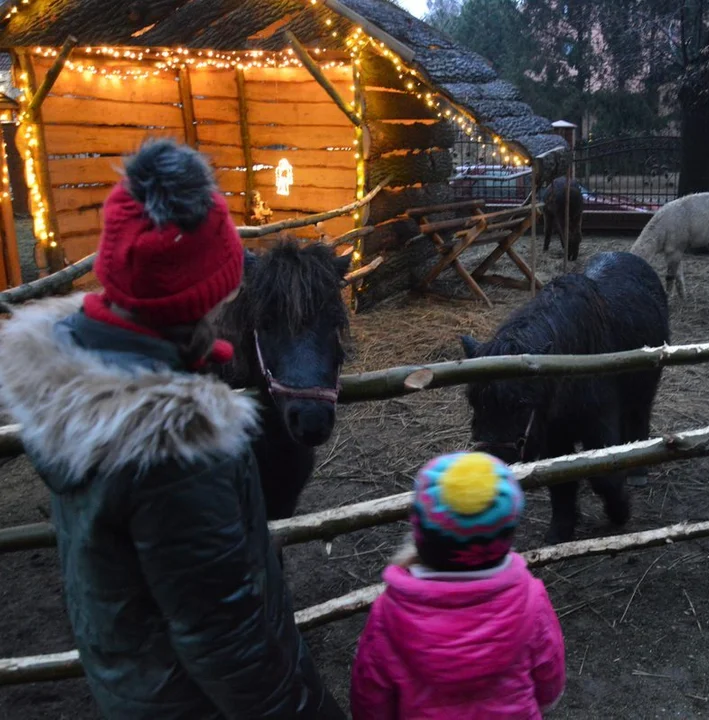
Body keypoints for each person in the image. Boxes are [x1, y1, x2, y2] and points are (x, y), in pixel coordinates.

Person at [0, 138, 347, 719]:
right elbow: (226, 640)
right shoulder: (177, 449)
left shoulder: (73, 389)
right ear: (206, 294)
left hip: (130, 675)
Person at [350, 451, 566, 719]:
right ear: (507, 536)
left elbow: (370, 700)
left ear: (419, 534)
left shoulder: (388, 614)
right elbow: (549, 685)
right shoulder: (531, 600)